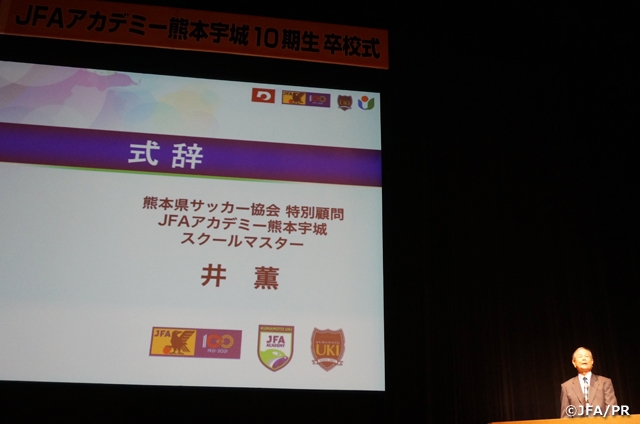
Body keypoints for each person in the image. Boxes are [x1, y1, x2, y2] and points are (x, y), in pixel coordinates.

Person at [560, 347, 617, 418]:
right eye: (580, 356)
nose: (584, 359)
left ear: (592, 361)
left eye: (586, 356)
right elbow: (566, 417)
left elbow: (612, 411)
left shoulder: (605, 382)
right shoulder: (566, 386)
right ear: (574, 362)